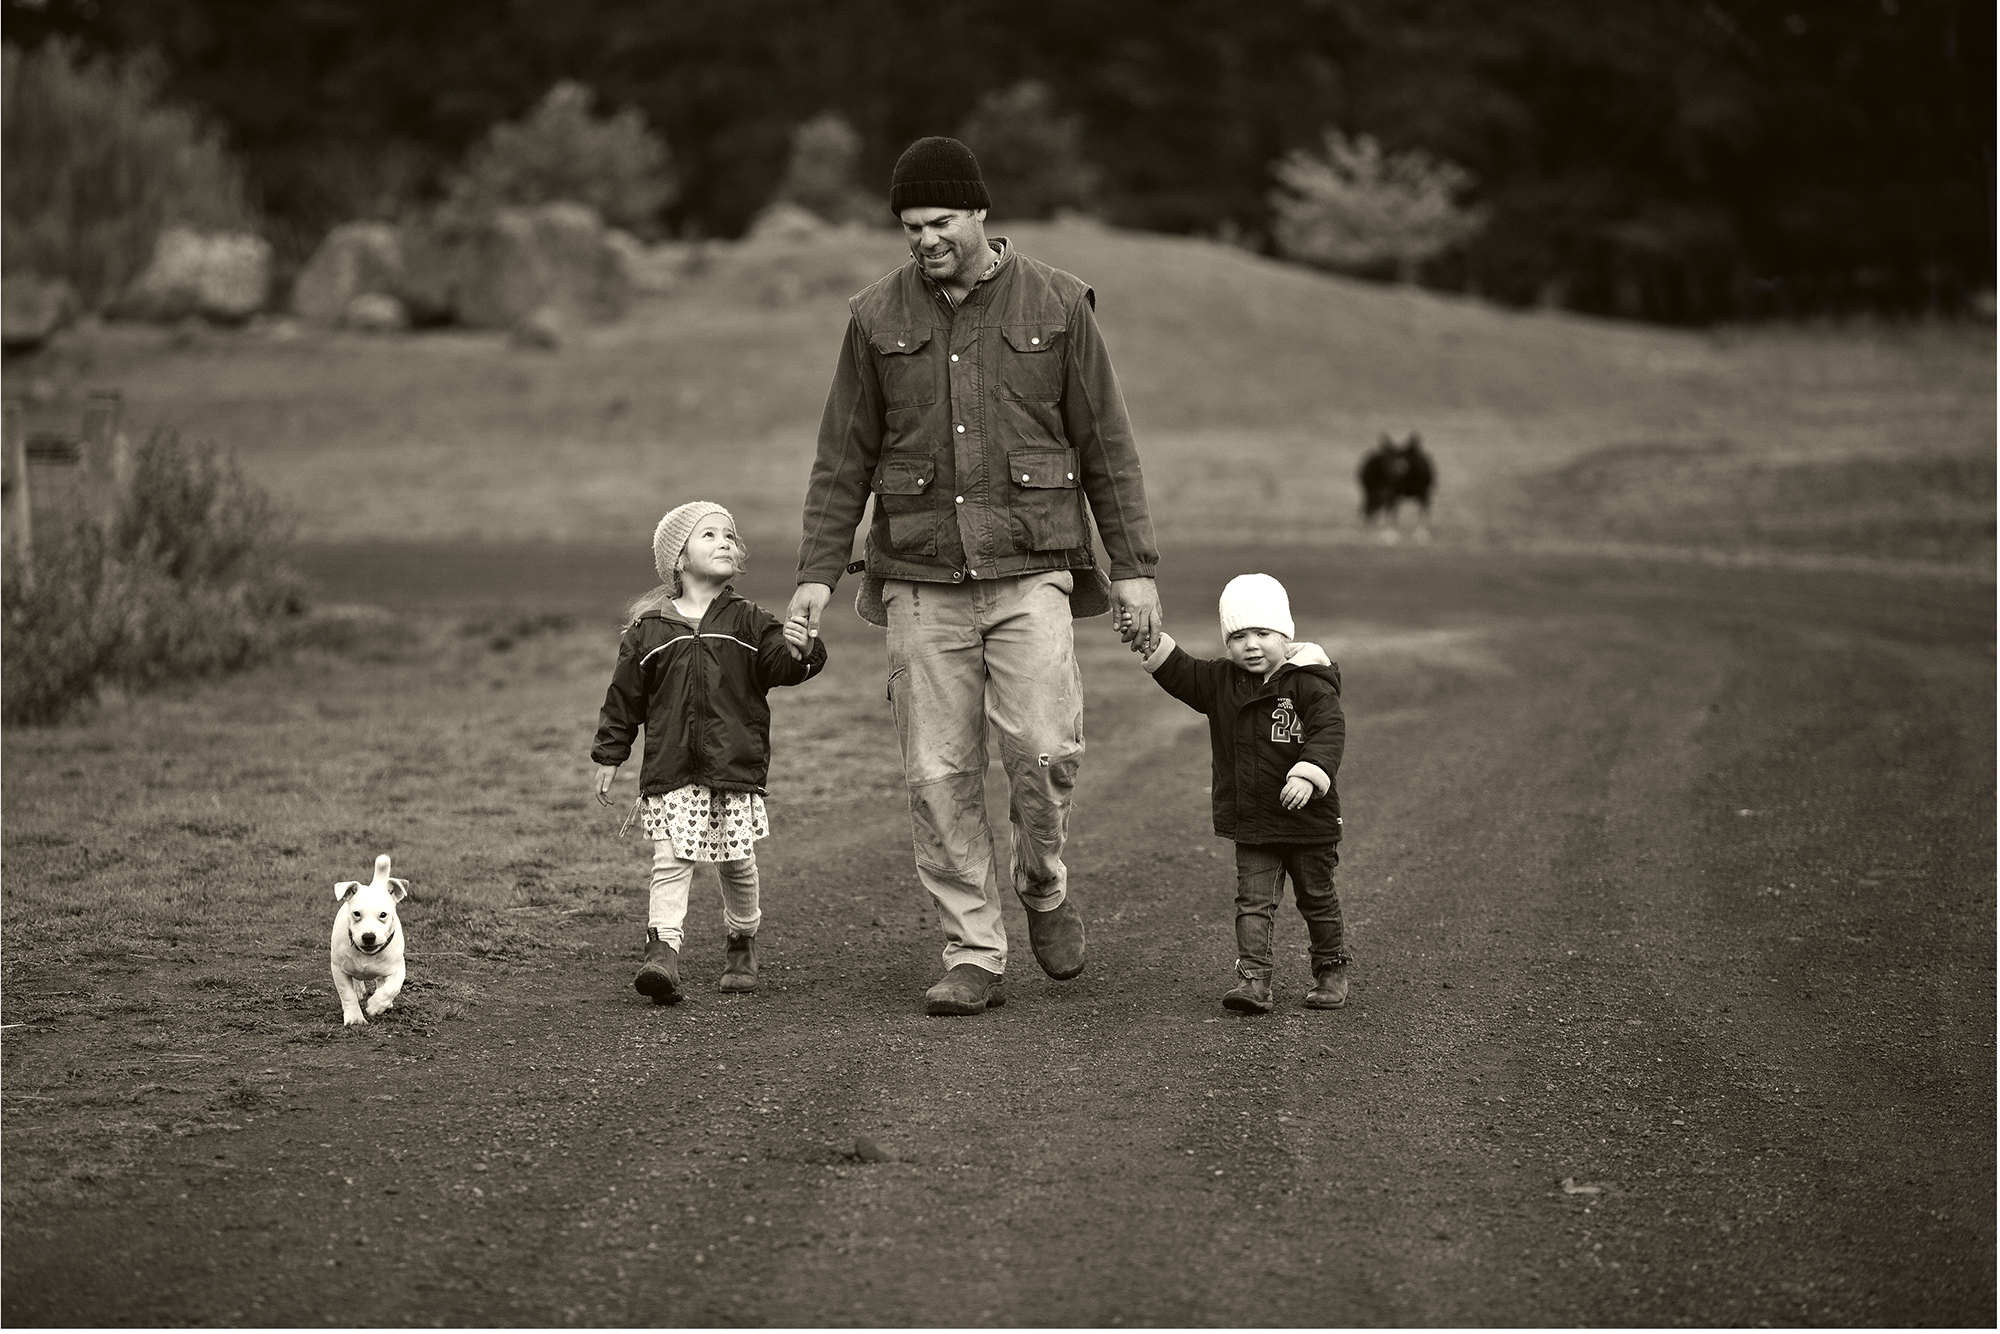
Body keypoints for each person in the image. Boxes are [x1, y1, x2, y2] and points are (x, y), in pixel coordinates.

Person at [785, 135, 1162, 1017]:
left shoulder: (1060, 304)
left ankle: (1043, 880)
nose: (925, 239)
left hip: (1033, 566)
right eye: (911, 226)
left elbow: (1107, 443)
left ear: (981, 213)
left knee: (1042, 747)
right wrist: (815, 570)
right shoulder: (875, 316)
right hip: (919, 575)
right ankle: (974, 952)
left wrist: (1134, 568)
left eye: (941, 221)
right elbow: (843, 452)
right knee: (938, 772)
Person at [593, 501, 826, 1004]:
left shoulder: (748, 621)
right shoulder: (648, 631)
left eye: (729, 535)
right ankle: (662, 954)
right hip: (673, 770)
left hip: (732, 768)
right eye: (709, 535)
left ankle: (741, 941)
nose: (724, 542)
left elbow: (781, 668)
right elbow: (623, 699)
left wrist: (801, 649)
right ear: (678, 559)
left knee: (736, 862)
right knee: (672, 859)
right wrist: (610, 754)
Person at [1135, 573, 1351, 1013]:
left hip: (1309, 821)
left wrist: (1308, 774)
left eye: (1262, 633)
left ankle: (1330, 967)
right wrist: (1150, 642)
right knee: (1252, 903)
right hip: (1254, 821)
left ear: (1284, 634)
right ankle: (1254, 982)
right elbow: (1181, 672)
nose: (1250, 644)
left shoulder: (1309, 682)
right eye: (1237, 636)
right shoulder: (1221, 682)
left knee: (1317, 898)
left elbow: (1330, 731)